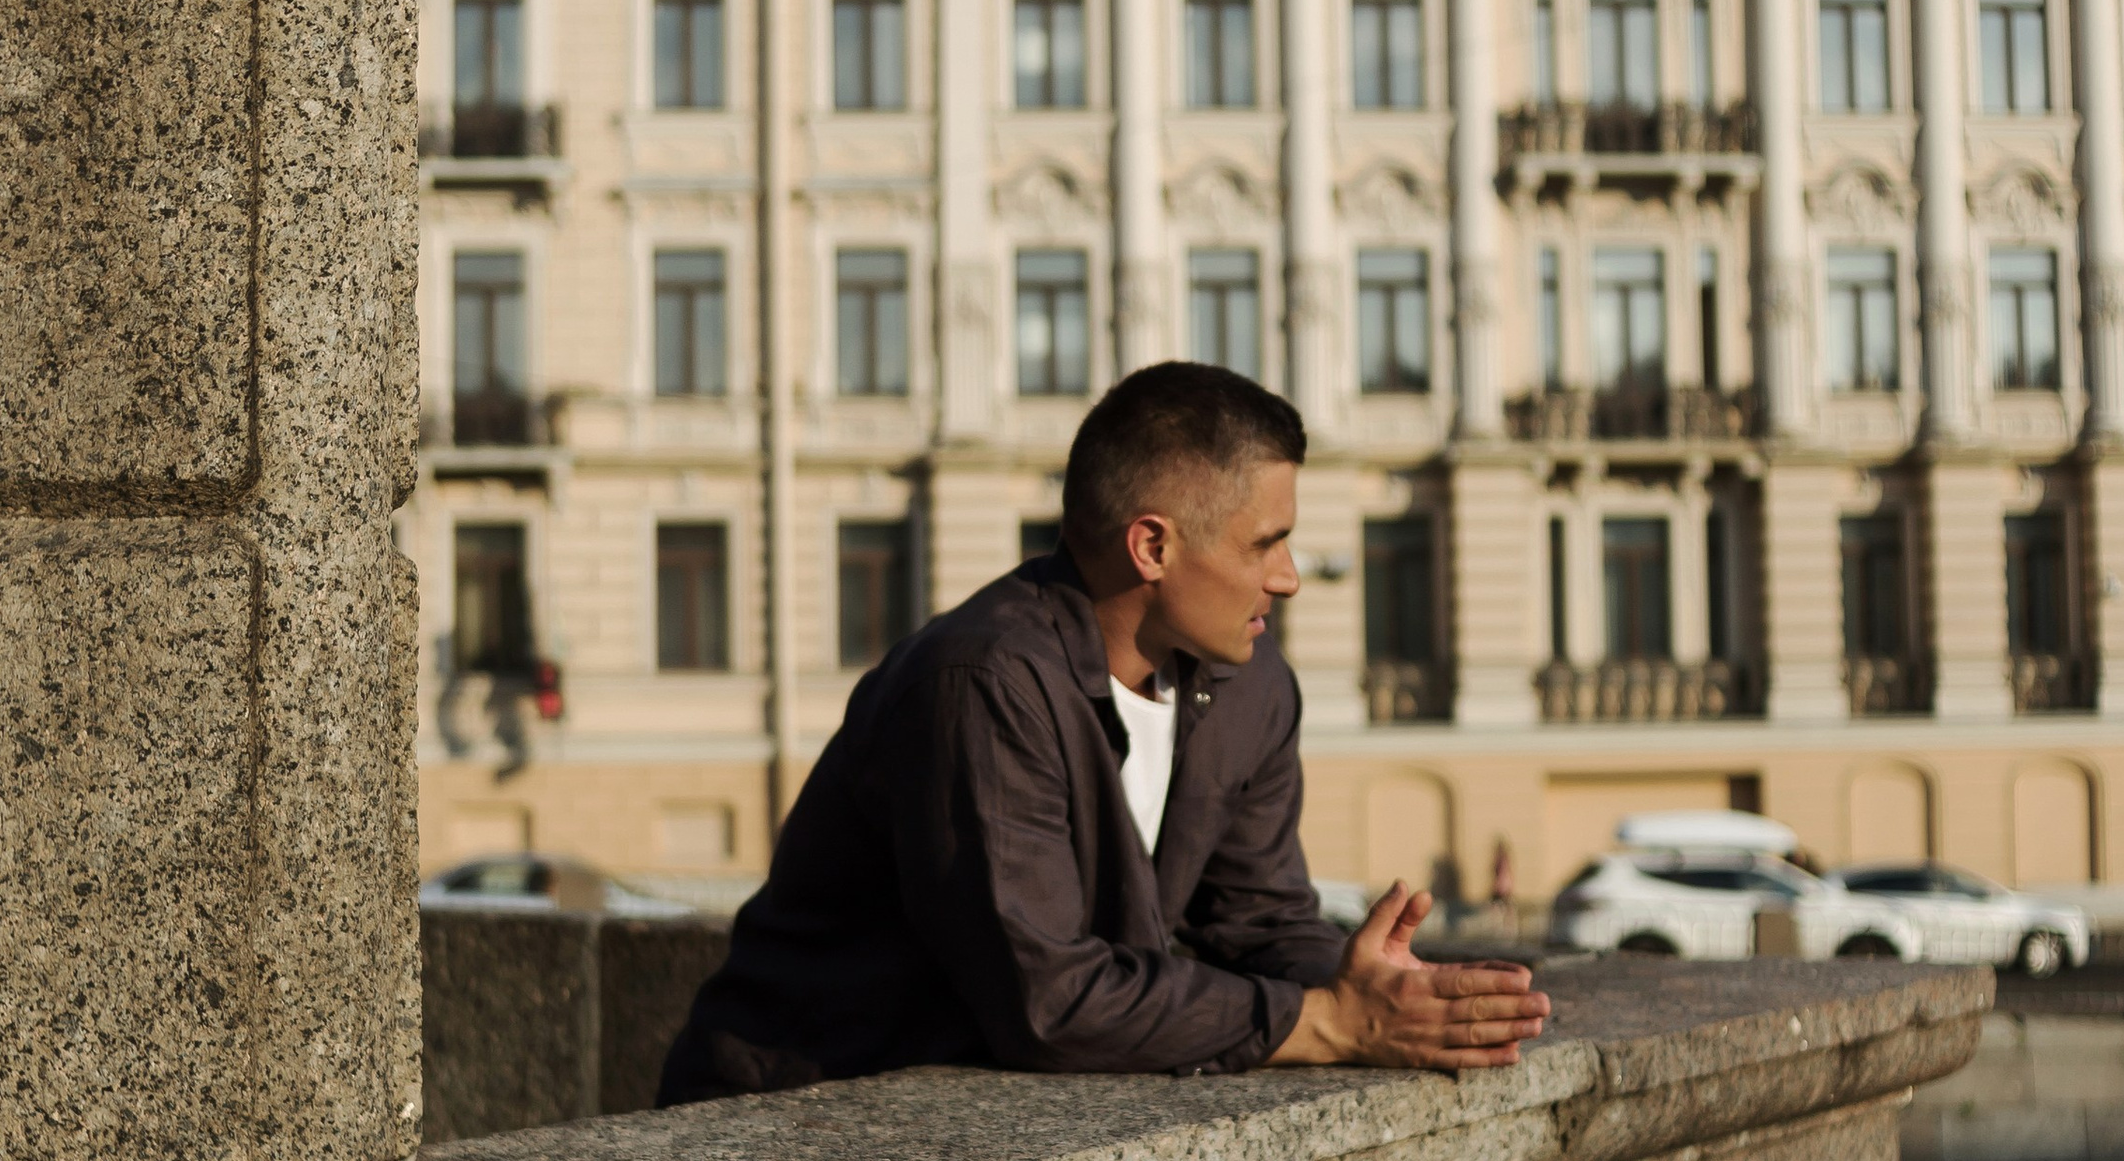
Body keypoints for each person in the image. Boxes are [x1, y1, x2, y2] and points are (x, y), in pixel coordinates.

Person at [660, 362, 1551, 1101]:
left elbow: (1255, 919)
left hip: (972, 1116)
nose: (1287, 579)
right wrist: (1326, 1024)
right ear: (1152, 548)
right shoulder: (985, 684)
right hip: (792, 1128)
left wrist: (1386, 988)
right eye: (1262, 544)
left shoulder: (1250, 682)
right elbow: (1050, 1000)